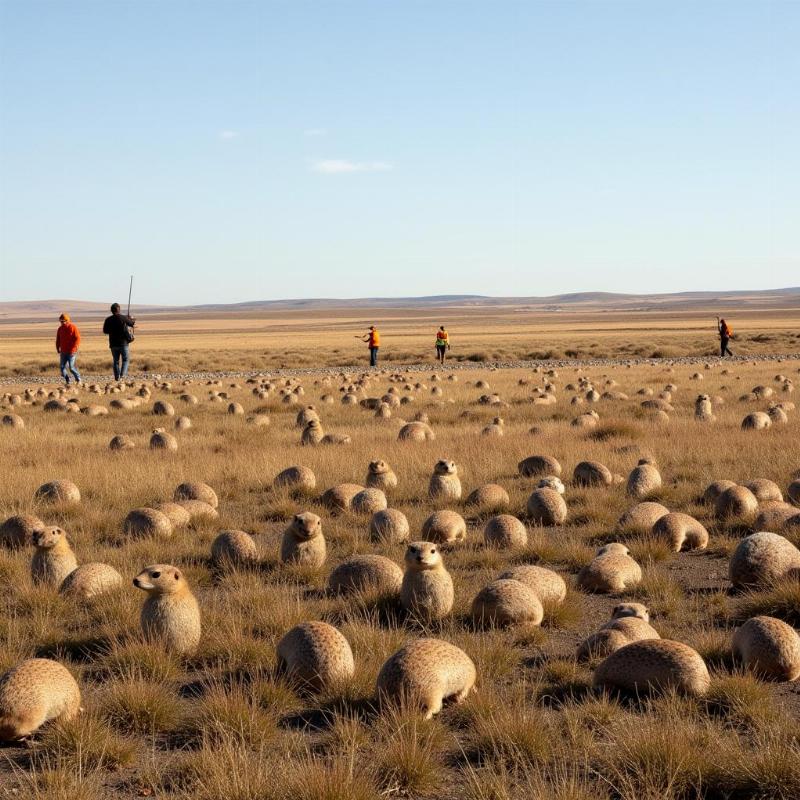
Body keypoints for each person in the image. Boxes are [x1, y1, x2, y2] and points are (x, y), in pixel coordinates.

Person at [103, 302, 136, 379]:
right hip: (123, 343)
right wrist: (130, 319)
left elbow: (105, 331)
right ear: (119, 310)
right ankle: (122, 376)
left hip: (113, 344)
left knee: (116, 361)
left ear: (111, 310)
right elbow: (132, 324)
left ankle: (117, 378)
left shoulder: (108, 320)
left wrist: (112, 330)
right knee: (125, 360)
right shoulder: (123, 318)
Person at [55, 313, 81, 385]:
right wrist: (57, 348)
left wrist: (75, 347)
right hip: (63, 351)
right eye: (61, 321)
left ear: (67, 320)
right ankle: (67, 380)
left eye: (63, 321)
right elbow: (58, 340)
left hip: (71, 351)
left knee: (71, 368)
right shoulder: (60, 329)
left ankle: (78, 379)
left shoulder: (73, 327)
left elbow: (77, 338)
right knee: (62, 367)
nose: (62, 322)